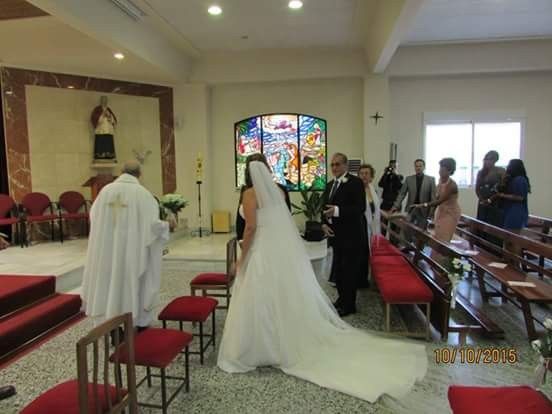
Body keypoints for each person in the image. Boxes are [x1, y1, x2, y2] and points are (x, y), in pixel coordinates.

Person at [217, 159, 427, 403]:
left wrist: (241, 260)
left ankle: (261, 346)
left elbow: (251, 228)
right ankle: (282, 340)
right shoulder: (277, 190)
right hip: (278, 253)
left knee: (259, 297)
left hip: (261, 253)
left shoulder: (250, 193)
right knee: (281, 295)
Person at [82, 161, 169, 329]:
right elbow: (153, 226)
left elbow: (94, 217)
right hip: (132, 253)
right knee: (133, 283)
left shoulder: (105, 192)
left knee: (109, 282)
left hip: (107, 251)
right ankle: (138, 322)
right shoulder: (143, 194)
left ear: (121, 171)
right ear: (139, 174)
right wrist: (166, 226)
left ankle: (110, 325)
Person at [320, 153, 366, 316]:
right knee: (338, 270)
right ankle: (341, 299)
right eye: (332, 165)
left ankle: (349, 305)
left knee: (349, 272)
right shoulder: (330, 184)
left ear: (346, 165)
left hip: (352, 236)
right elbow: (323, 208)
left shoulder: (356, 183)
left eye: (337, 164)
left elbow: (360, 208)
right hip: (335, 236)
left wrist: (337, 211)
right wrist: (324, 224)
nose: (334, 168)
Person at [235, 154, 291, 241]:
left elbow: (244, 222)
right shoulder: (280, 189)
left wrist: (241, 238)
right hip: (277, 236)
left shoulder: (248, 192)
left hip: (257, 239)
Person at [411, 158, 461, 244]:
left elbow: (438, 201)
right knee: (437, 237)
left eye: (443, 169)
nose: (440, 171)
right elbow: (436, 197)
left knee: (444, 238)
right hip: (441, 211)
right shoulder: (440, 181)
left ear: (449, 171)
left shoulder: (452, 185)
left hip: (450, 213)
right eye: (440, 168)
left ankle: (444, 256)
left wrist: (423, 205)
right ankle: (436, 257)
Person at [392, 159, 436, 230]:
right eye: (416, 166)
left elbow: (433, 197)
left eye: (420, 166)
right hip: (410, 209)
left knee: (421, 235)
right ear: (414, 167)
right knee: (407, 231)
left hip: (424, 211)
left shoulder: (431, 180)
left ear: (424, 167)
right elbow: (402, 194)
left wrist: (431, 212)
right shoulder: (409, 179)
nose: (418, 168)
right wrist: (395, 206)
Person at [491, 159, 530, 233]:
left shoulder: (520, 179)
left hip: (516, 211)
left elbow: (520, 197)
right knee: (507, 236)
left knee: (512, 236)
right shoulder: (512, 179)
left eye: (509, 165)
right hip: (509, 210)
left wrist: (502, 195)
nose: (507, 167)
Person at [358, 164, 380, 287]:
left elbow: (375, 209)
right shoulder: (356, 190)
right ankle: (361, 280)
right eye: (361, 173)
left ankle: (368, 278)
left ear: (371, 177)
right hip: (360, 227)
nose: (364, 176)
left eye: (367, 173)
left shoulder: (373, 189)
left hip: (372, 226)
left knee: (369, 253)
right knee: (362, 254)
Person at [475, 150, 505, 229]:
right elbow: (477, 188)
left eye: (491, 159)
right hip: (482, 202)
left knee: (494, 225)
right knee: (482, 225)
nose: (488, 162)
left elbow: (503, 188)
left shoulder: (500, 171)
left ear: (495, 160)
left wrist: (490, 200)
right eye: (487, 159)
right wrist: (481, 199)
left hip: (495, 202)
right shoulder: (481, 172)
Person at [90, 96, 117, 162]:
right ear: (101, 101)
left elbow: (114, 120)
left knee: (108, 142)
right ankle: (100, 156)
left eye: (106, 100)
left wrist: (109, 116)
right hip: (101, 130)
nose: (105, 101)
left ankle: (109, 156)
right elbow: (94, 118)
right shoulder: (97, 109)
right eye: (103, 100)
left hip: (108, 129)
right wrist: (102, 115)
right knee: (101, 141)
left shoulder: (109, 109)